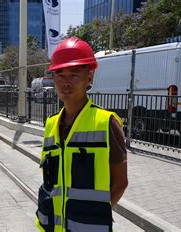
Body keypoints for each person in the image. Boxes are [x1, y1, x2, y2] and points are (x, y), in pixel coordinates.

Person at [35, 37, 128, 232]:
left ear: (89, 77)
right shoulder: (51, 124)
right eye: (60, 74)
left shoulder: (107, 123)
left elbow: (120, 183)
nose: (66, 82)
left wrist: (93, 216)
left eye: (74, 74)